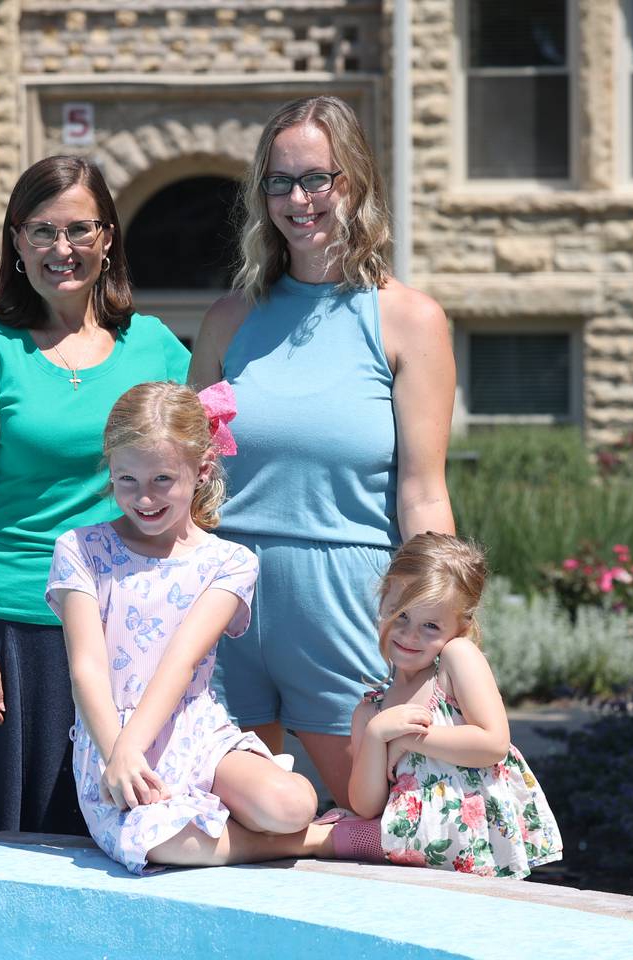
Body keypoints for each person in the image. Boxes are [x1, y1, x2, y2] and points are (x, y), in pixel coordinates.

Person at [189, 95, 456, 809]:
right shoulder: (227, 320)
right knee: (235, 824)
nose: (298, 199)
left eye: (317, 178)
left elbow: (423, 493)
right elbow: (191, 482)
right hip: (226, 604)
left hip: (346, 601)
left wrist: (447, 631)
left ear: (355, 183)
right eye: (279, 181)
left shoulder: (409, 320)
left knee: (384, 822)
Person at [0, 156, 191, 834]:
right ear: (17, 242)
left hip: (128, 634)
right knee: (1, 850)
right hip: (18, 634)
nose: (62, 249)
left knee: (118, 837)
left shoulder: (158, 349)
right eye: (42, 231)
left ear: (108, 238)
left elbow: (195, 490)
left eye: (80, 228)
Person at [47, 381, 351, 871]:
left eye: (162, 479)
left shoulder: (229, 561)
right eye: (127, 480)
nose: (144, 498)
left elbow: (181, 662)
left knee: (291, 805)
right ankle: (311, 842)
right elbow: (86, 667)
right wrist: (118, 754)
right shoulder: (80, 550)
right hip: (111, 732)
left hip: (196, 729)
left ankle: (265, 817)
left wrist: (131, 746)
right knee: (159, 844)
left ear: (202, 468)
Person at [327, 533, 562, 877]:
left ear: (460, 627)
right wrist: (378, 736)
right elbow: (365, 805)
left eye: (431, 626)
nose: (409, 635)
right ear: (383, 603)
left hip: (477, 855)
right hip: (413, 860)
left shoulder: (454, 661)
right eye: (401, 615)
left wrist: (406, 739)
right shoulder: (372, 713)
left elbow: (492, 743)